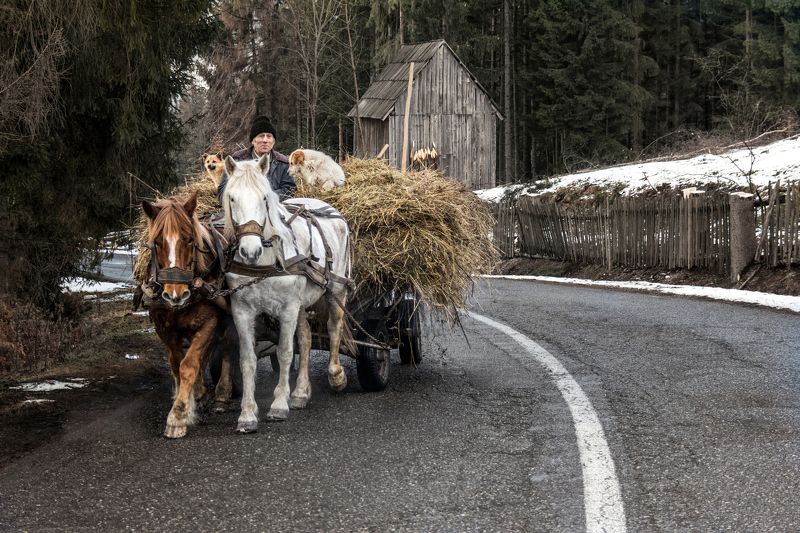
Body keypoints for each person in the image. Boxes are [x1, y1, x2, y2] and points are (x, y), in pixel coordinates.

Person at [217, 115, 296, 201]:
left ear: (273, 141)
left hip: (275, 209)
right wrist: (243, 199)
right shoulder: (237, 160)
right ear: (253, 141)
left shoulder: (283, 163)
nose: (265, 140)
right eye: (261, 136)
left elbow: (289, 190)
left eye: (269, 136)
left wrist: (265, 198)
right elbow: (222, 190)